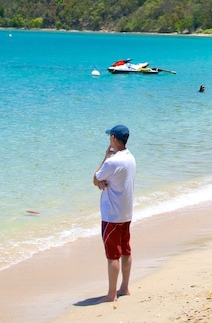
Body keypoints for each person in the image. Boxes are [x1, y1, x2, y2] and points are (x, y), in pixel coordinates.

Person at [93, 124, 137, 303]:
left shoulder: (112, 161)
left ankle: (111, 294)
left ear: (113, 138)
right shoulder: (130, 158)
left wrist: (105, 157)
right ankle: (124, 287)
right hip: (126, 212)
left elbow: (96, 178)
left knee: (113, 255)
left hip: (112, 214)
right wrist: (104, 183)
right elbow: (114, 180)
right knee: (125, 250)